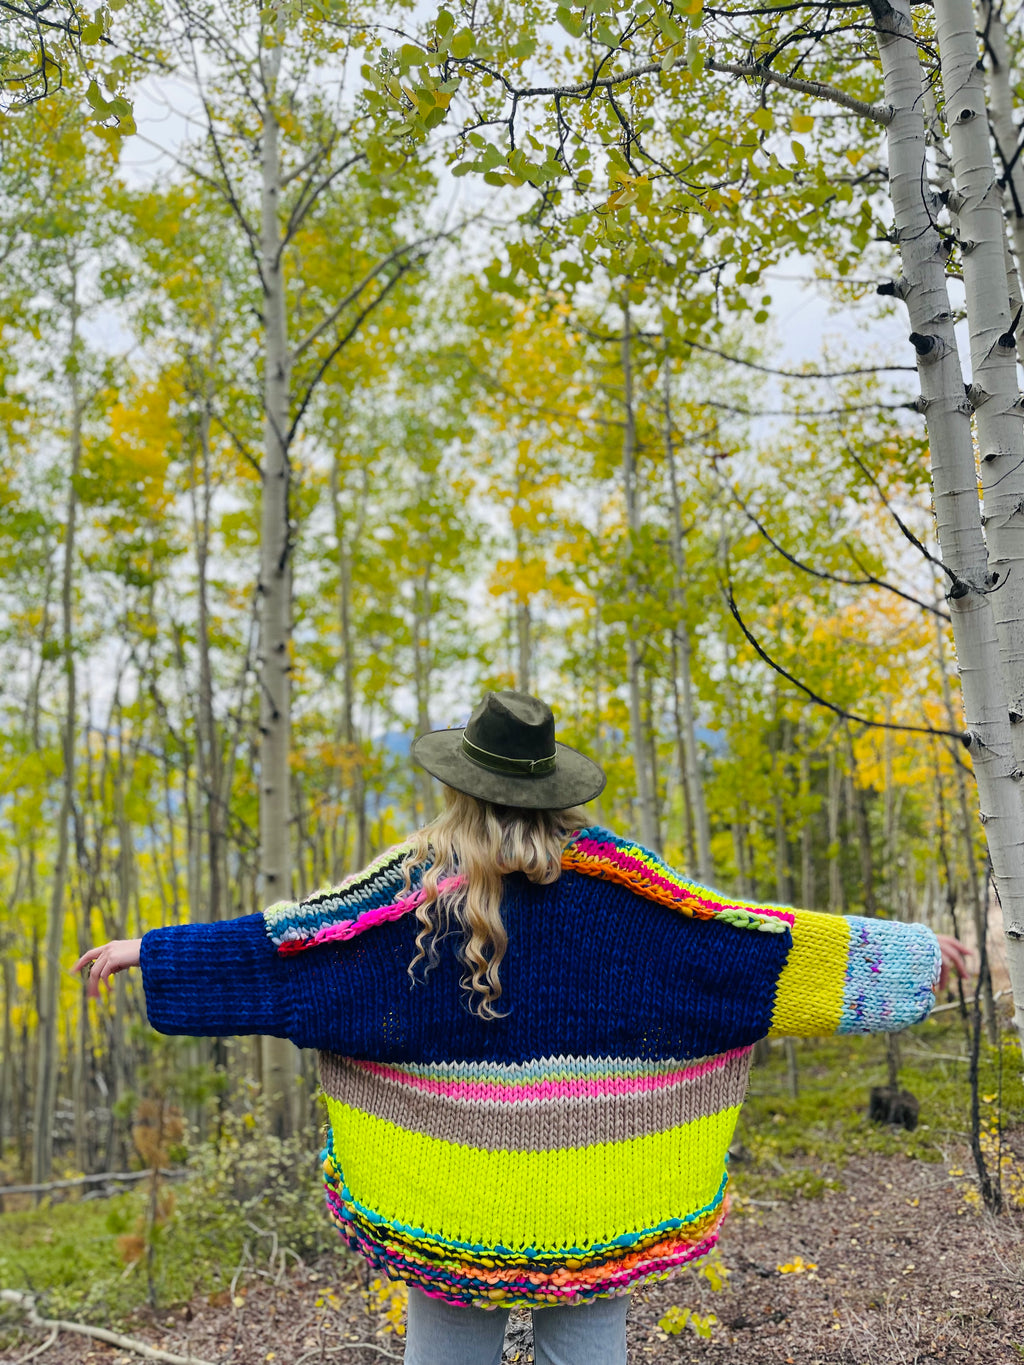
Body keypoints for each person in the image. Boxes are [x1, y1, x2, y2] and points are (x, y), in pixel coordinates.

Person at [75, 690, 969, 1365]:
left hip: (447, 1201)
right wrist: (906, 956)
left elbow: (292, 951)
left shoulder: (403, 893)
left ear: (459, 789)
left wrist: (152, 951)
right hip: (596, 1200)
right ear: (553, 790)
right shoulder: (632, 890)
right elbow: (742, 944)